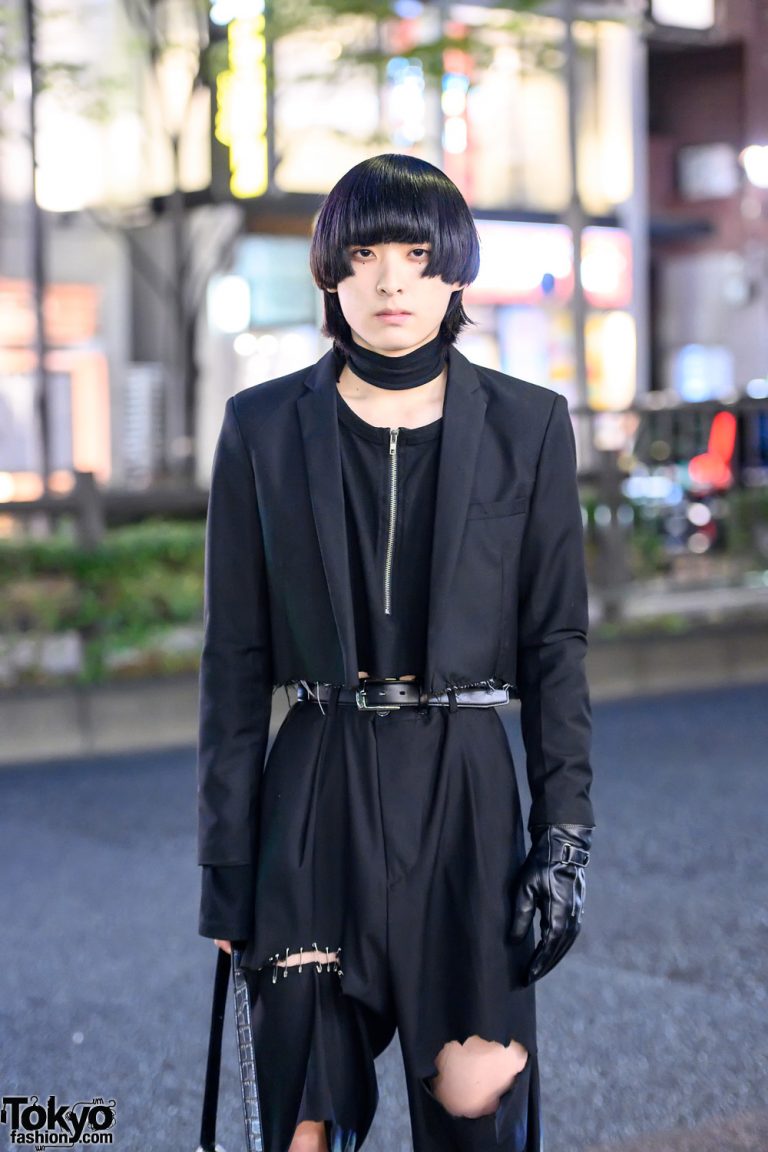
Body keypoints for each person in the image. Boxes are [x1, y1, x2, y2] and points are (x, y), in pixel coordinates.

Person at [196, 153, 594, 1152]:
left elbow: (555, 649)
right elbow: (234, 663)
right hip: (314, 795)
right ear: (330, 273)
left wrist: (565, 841)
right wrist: (225, 869)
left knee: (474, 1114)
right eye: (365, 255)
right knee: (301, 1117)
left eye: (418, 255)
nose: (390, 281)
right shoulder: (261, 429)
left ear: (455, 272)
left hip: (464, 797)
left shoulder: (528, 427)